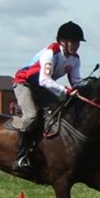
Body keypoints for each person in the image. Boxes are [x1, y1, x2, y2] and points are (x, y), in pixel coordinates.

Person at [13, 19, 84, 169]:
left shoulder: (74, 59)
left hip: (41, 87)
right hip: (24, 84)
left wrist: (83, 90)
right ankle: (20, 154)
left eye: (78, 42)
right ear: (63, 41)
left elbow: (76, 81)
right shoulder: (51, 53)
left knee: (61, 112)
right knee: (31, 116)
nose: (77, 45)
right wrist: (66, 91)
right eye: (74, 41)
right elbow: (44, 80)